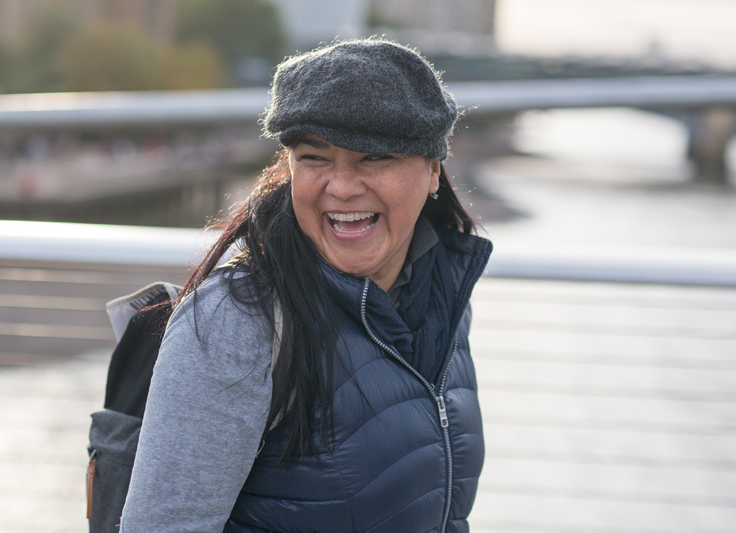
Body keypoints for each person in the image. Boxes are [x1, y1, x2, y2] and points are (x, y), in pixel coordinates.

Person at [120, 38, 492, 533]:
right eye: (315, 158)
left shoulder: (443, 298)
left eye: (373, 158)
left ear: (432, 171)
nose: (341, 187)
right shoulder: (237, 323)